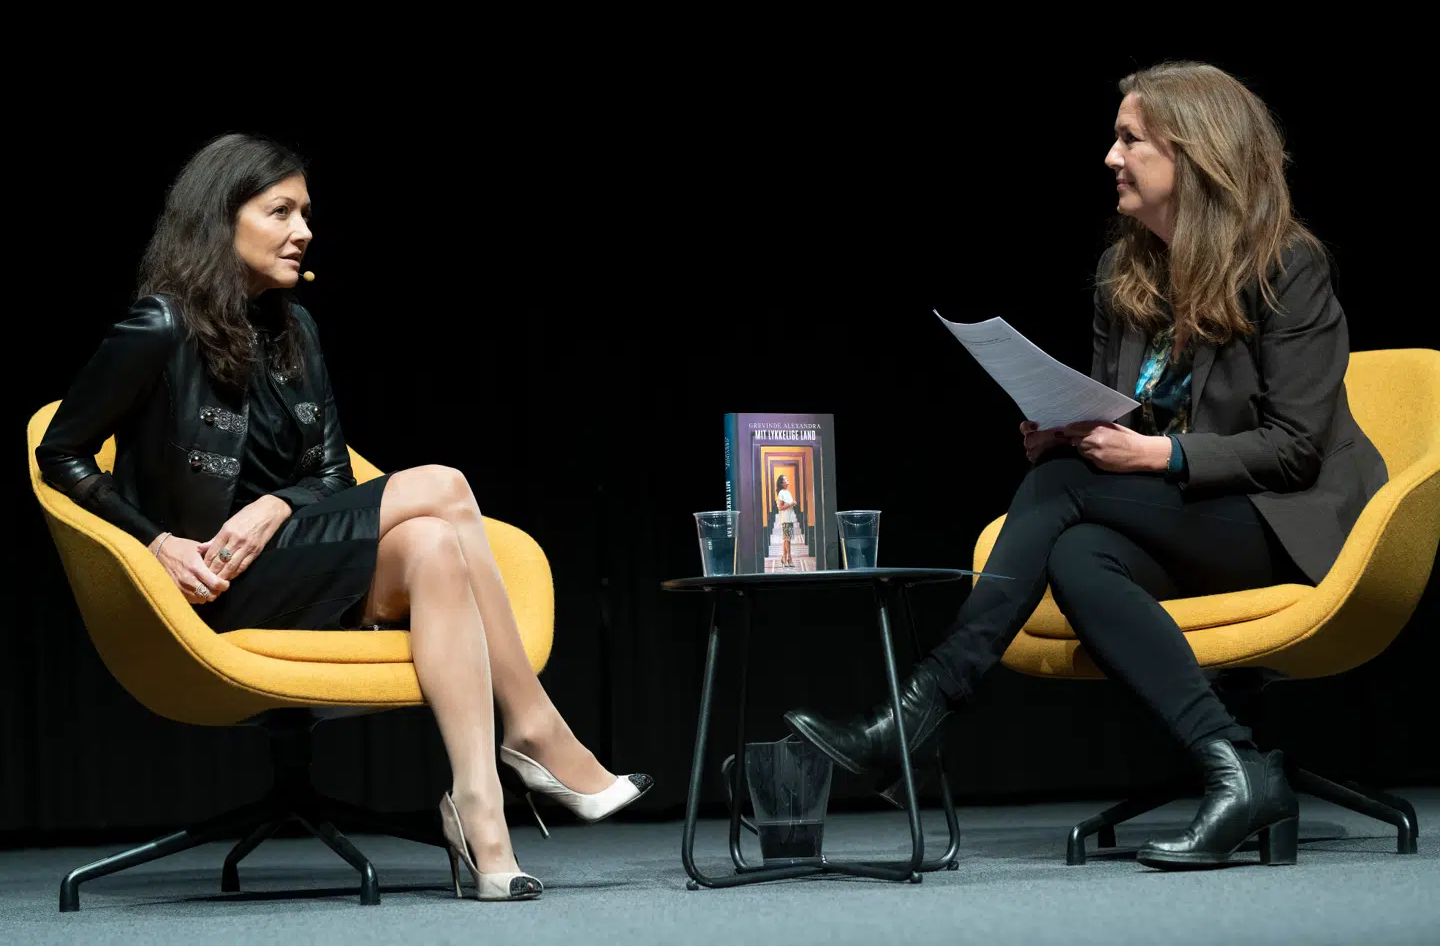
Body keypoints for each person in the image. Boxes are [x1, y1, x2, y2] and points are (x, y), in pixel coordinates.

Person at [783, 62, 1387, 870]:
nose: (1111, 156)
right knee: (1076, 547)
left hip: (1284, 520)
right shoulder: (1125, 273)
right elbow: (1118, 416)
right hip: (1180, 515)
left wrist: (1154, 453)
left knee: (1064, 491)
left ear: (1194, 153)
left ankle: (918, 715)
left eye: (1131, 139)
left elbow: (1295, 447)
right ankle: (1235, 767)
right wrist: (1069, 432)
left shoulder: (1287, 265)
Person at [35, 133, 652, 902]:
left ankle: (480, 809)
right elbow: (59, 453)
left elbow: (329, 476)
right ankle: (533, 730)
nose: (303, 231)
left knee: (434, 541)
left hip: (295, 561)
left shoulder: (296, 331)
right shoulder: (160, 326)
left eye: (306, 214)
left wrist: (273, 505)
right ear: (220, 217)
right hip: (212, 584)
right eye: (281, 212)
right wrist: (156, 543)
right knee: (446, 486)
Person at [775, 475, 798, 568]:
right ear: (782, 483)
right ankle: (790, 558)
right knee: (787, 539)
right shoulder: (781, 493)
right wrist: (791, 504)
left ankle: (784, 558)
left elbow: (790, 504)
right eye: (785, 479)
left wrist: (793, 503)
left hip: (790, 518)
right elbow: (780, 507)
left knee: (787, 539)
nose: (787, 480)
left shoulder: (788, 492)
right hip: (785, 519)